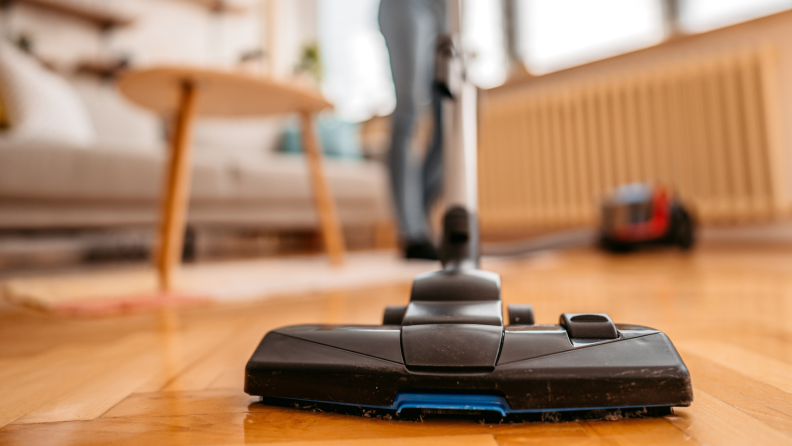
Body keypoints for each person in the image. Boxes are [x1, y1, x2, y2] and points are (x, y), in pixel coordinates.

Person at [379, 0, 446, 260]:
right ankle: (411, 232)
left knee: (453, 116)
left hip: (444, 9)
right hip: (405, 5)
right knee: (410, 112)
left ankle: (420, 212)